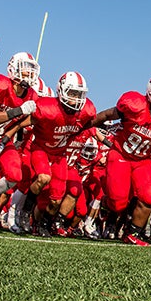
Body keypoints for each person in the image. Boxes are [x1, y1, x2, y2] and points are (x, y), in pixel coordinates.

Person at [86, 74, 151, 246]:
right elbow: (108, 114)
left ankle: (132, 233)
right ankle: (106, 212)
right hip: (120, 155)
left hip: (142, 161)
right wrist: (86, 125)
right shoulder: (135, 106)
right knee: (117, 203)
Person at [12, 71, 96, 236]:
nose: (76, 98)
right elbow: (24, 123)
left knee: (57, 198)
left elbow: (96, 121)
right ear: (62, 91)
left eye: (79, 94)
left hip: (59, 155)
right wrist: (9, 138)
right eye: (73, 93)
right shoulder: (48, 108)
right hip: (41, 149)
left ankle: (44, 224)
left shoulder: (84, 113)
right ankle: (25, 211)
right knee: (43, 177)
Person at [0, 52, 40, 231]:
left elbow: (19, 125)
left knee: (15, 175)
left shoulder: (31, 95)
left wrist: (5, 140)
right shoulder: (0, 85)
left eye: (31, 71)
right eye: (25, 71)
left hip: (2, 140)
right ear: (13, 69)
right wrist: (18, 110)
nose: (29, 75)